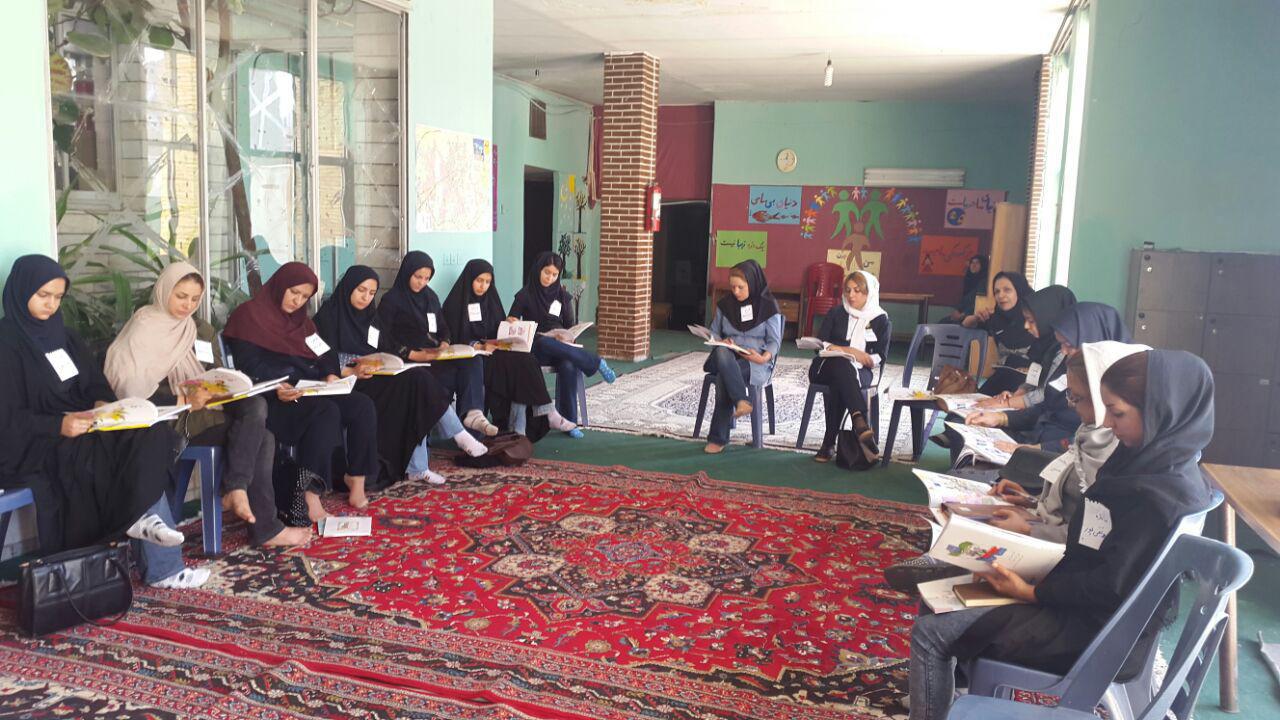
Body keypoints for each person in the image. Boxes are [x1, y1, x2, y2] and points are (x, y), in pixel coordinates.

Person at [906, 349, 1215, 720]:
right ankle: (953, 692)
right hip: (1089, 607)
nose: (1108, 423)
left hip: (1094, 631)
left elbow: (1110, 585)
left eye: (1117, 413)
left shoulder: (1155, 496)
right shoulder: (1157, 465)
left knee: (930, 633)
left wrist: (1032, 591)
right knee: (949, 582)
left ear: (1160, 410)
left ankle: (946, 696)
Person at [0, 255, 206, 588]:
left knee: (149, 435)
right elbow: (7, 416)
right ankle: (154, 550)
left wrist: (102, 404)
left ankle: (139, 518)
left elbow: (95, 384)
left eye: (58, 297)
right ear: (21, 291)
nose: (51, 304)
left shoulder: (65, 337)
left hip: (83, 425)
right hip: (33, 439)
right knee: (88, 456)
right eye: (43, 295)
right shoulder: (6, 343)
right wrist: (58, 425)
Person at [104, 262, 310, 549]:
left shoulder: (198, 329)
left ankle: (240, 493)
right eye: (181, 296)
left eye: (194, 299)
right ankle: (254, 514)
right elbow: (128, 388)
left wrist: (216, 386)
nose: (187, 305)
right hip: (172, 420)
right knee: (264, 438)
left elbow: (214, 369)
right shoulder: (144, 328)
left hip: (209, 408)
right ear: (164, 291)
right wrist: (182, 398)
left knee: (256, 405)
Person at [222, 261, 380, 521]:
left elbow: (324, 353)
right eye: (294, 292)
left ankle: (357, 479)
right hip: (272, 396)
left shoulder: (301, 323)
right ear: (280, 286)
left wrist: (329, 373)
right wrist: (279, 385)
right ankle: (310, 495)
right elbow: (248, 365)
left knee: (361, 405)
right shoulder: (249, 316)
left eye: (305, 297)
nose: (297, 301)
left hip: (306, 390)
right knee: (325, 412)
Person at [313, 265, 461, 487]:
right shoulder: (328, 316)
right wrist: (350, 369)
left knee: (417, 380)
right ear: (349, 287)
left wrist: (388, 361)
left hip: (375, 377)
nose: (366, 297)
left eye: (371, 293)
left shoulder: (370, 317)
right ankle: (453, 437)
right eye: (361, 290)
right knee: (413, 389)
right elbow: (322, 357)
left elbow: (387, 345)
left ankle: (421, 465)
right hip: (348, 381)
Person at [966, 301, 1128, 456]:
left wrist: (1033, 449)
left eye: (1068, 345)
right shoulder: (1071, 365)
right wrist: (1001, 417)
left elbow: (1090, 441)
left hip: (1057, 454)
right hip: (1037, 438)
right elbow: (1045, 407)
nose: (1063, 352)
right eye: (1061, 344)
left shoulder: (1114, 388)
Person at [442, 259, 579, 440]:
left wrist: (508, 328)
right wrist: (478, 345)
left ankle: (544, 413)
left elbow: (497, 330)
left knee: (526, 359)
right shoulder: (455, 304)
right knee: (513, 370)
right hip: (472, 357)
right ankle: (522, 424)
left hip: (494, 353)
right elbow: (452, 336)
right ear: (469, 279)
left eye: (488, 282)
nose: (483, 286)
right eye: (479, 281)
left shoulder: (491, 300)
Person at [377, 251, 499, 439]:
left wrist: (444, 342)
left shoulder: (430, 297)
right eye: (418, 277)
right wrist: (411, 354)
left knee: (472, 361)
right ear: (407, 272)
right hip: (408, 360)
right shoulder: (392, 300)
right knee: (439, 378)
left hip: (433, 356)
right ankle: (459, 435)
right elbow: (383, 337)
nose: (422, 282)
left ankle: (473, 415)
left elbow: (443, 327)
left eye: (426, 278)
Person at [509, 251, 616, 431]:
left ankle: (570, 423)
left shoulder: (563, 296)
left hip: (560, 348)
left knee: (568, 365)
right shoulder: (525, 294)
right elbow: (511, 318)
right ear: (538, 270)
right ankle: (596, 362)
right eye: (546, 272)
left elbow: (570, 326)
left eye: (554, 274)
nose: (549, 278)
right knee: (543, 341)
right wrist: (513, 321)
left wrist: (567, 336)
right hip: (536, 348)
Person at [808, 270, 889, 464]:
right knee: (841, 364)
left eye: (857, 291)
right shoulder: (836, 312)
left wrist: (865, 358)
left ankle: (829, 442)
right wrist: (850, 351)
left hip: (861, 370)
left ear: (869, 293)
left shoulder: (880, 319)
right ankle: (859, 419)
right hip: (825, 367)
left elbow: (880, 355)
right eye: (848, 290)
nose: (851, 295)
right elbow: (821, 344)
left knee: (842, 378)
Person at [702, 260, 783, 454]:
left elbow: (774, 341)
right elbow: (714, 332)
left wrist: (763, 358)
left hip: (755, 361)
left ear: (752, 284)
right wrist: (721, 340)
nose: (736, 292)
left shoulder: (767, 306)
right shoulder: (725, 305)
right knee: (722, 354)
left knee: (725, 377)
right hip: (728, 355)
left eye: (741, 287)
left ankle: (718, 437)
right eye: (733, 287)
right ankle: (741, 400)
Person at [959, 271, 1037, 396]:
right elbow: (965, 324)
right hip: (1003, 376)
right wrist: (976, 317)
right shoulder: (996, 318)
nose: (1001, 295)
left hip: (1030, 383)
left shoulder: (1035, 320)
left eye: (1007, 290)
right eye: (997, 291)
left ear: (1019, 291)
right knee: (976, 401)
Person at [944, 255, 989, 323]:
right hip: (962, 313)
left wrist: (963, 314)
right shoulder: (968, 279)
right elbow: (965, 299)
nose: (973, 265)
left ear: (983, 266)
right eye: (972, 263)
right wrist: (957, 310)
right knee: (943, 322)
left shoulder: (984, 283)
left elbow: (979, 303)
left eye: (977, 263)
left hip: (974, 317)